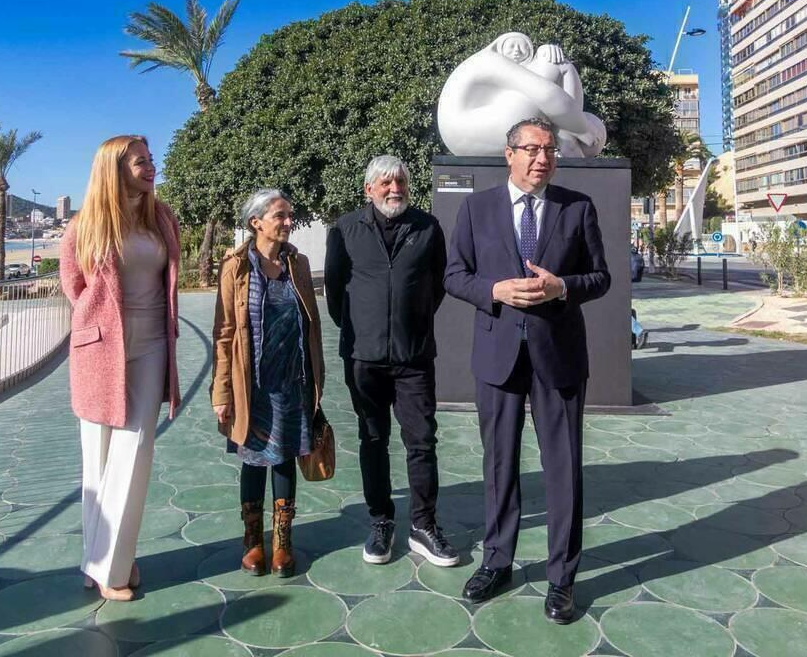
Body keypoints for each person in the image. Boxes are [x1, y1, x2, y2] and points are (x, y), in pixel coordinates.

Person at [444, 117, 610, 623]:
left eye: (550, 150)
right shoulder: (476, 209)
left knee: (563, 469)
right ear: (509, 153)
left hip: (558, 357)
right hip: (497, 357)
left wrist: (563, 287)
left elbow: (601, 277)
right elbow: (455, 275)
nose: (543, 158)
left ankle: (562, 579)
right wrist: (494, 291)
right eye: (533, 149)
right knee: (499, 466)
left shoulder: (577, 207)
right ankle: (498, 561)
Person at [59, 134, 182, 601]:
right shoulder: (84, 226)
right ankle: (103, 559)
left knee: (135, 446)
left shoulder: (161, 218)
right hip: (100, 346)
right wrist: (99, 322)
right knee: (98, 457)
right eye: (140, 163)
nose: (151, 168)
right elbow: (74, 286)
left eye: (151, 161)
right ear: (114, 169)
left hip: (151, 341)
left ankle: (109, 567)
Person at [324, 155, 457, 567]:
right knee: (373, 440)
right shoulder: (345, 230)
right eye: (384, 182)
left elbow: (436, 287)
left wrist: (408, 324)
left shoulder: (427, 228)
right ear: (369, 190)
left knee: (421, 442)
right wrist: (363, 328)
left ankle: (423, 525)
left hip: (414, 356)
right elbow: (334, 292)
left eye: (399, 180)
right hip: (363, 358)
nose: (394, 187)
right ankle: (381, 521)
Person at [211, 189, 325, 578]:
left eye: (290, 215)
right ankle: (252, 543)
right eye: (280, 215)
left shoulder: (299, 263)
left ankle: (282, 544)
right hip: (252, 385)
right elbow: (224, 332)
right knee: (253, 460)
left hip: (293, 382)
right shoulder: (237, 267)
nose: (288, 222)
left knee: (285, 458)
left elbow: (311, 326)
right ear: (256, 222)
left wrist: (316, 385)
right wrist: (221, 392)